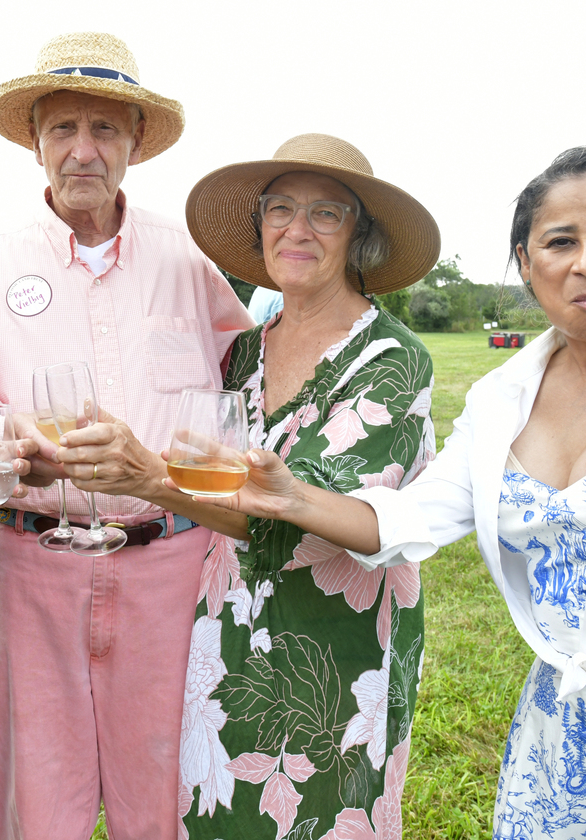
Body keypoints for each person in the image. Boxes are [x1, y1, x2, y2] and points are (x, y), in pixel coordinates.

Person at [194, 147, 586, 838]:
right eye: (559, 242)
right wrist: (289, 496)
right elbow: (412, 518)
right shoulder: (502, 399)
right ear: (526, 262)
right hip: (558, 737)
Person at [62, 133, 441, 838]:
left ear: (359, 237)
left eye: (326, 213)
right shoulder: (243, 350)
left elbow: (308, 519)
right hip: (228, 626)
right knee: (218, 812)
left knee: (318, 817)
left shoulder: (394, 361)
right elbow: (214, 471)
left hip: (333, 653)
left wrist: (153, 480)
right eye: (281, 209)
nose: (297, 229)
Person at [0, 32, 253, 840]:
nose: (84, 151)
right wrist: (5, 432)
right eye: (63, 130)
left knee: (169, 793)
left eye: (105, 129)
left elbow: (243, 378)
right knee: (38, 803)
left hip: (171, 561)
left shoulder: (192, 260)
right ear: (36, 142)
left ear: (136, 143)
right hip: (31, 558)